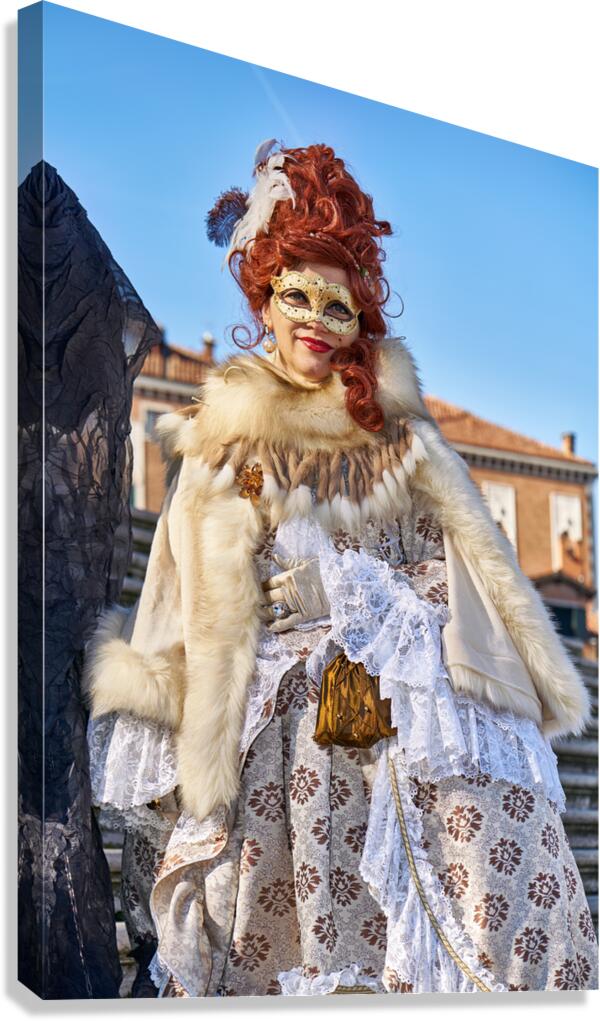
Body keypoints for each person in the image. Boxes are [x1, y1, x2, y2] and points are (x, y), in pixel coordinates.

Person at [84, 140, 597, 997]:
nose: (317, 318)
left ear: (363, 319)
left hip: (393, 698)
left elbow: (452, 575)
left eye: (340, 304)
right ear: (265, 301)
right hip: (275, 735)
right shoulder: (223, 442)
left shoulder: (398, 441)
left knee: (483, 859)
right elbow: (194, 601)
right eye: (298, 296)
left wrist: (363, 599)